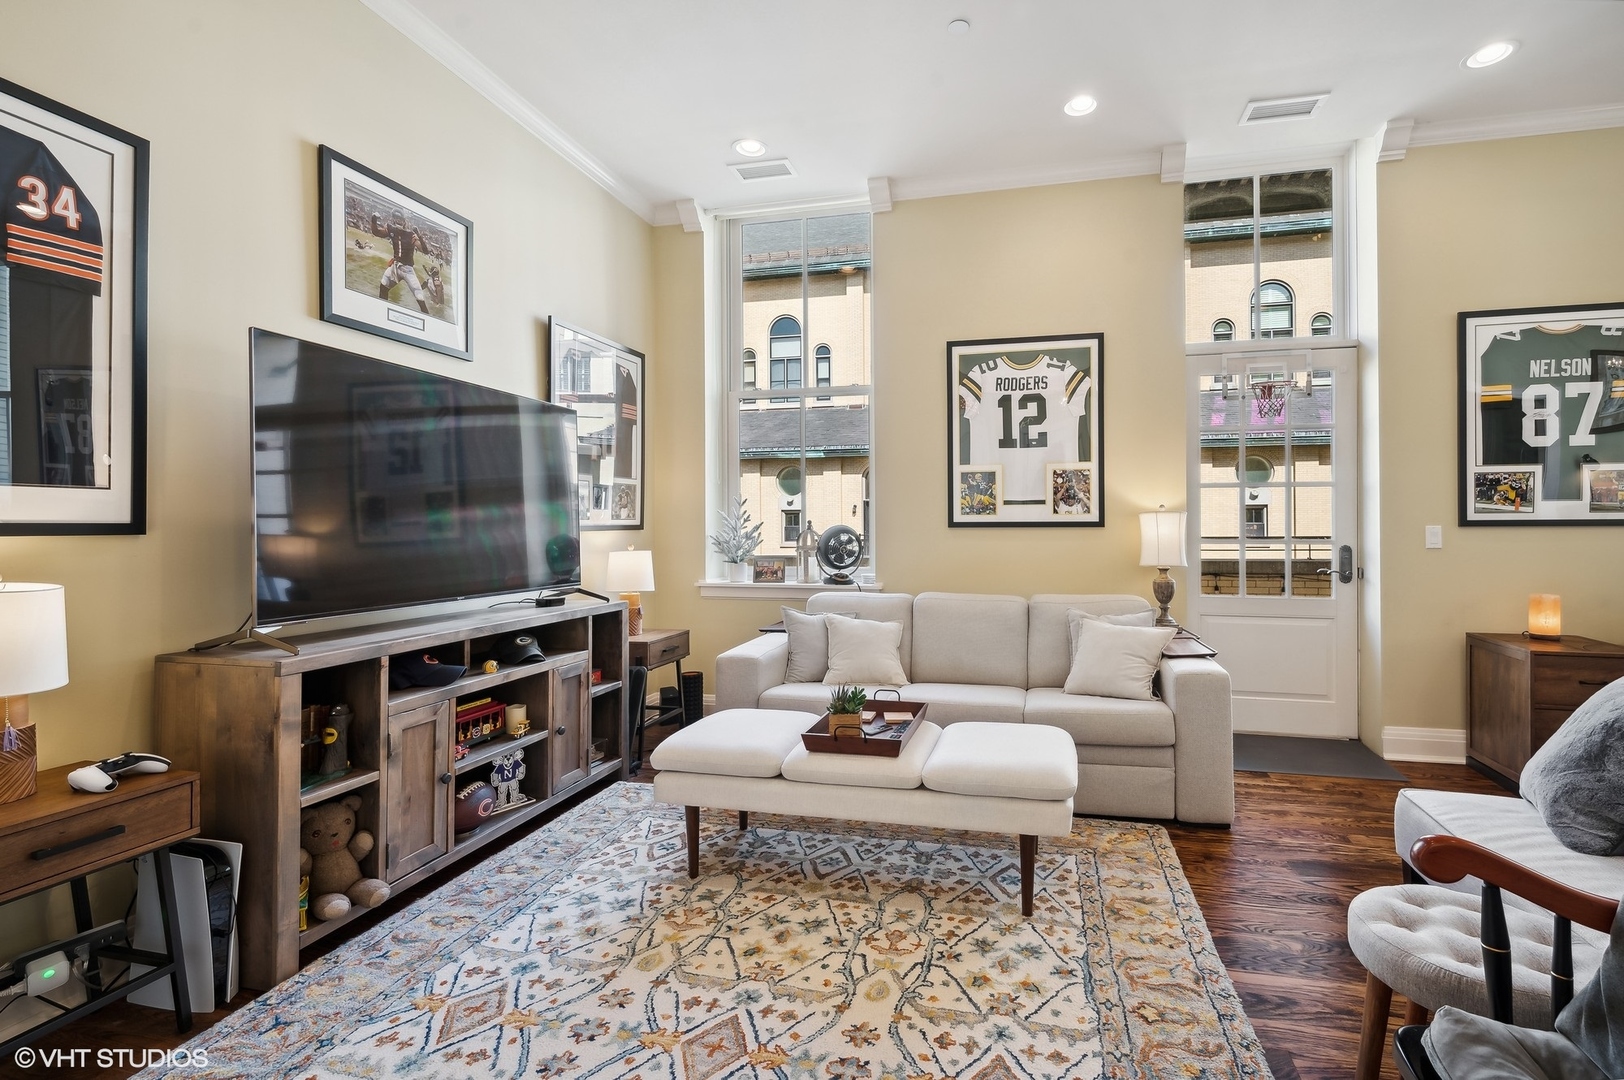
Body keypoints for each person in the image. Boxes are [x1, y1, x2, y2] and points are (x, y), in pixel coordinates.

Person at [371, 210, 431, 313]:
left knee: (419, 297)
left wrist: (419, 236)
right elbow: (376, 232)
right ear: (394, 219)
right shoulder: (391, 229)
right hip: (395, 267)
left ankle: (428, 321)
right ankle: (382, 312)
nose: (398, 221)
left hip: (408, 269)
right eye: (396, 218)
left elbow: (425, 251)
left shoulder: (411, 234)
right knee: (383, 286)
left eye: (400, 219)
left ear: (404, 221)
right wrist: (374, 219)